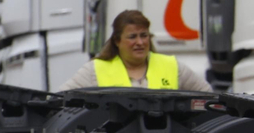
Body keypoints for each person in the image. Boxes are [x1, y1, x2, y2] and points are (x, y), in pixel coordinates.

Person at [62, 9, 210, 90]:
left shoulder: (172, 66)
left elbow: (207, 97)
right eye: (132, 37)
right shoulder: (94, 70)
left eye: (144, 35)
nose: (140, 42)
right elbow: (61, 100)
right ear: (117, 41)